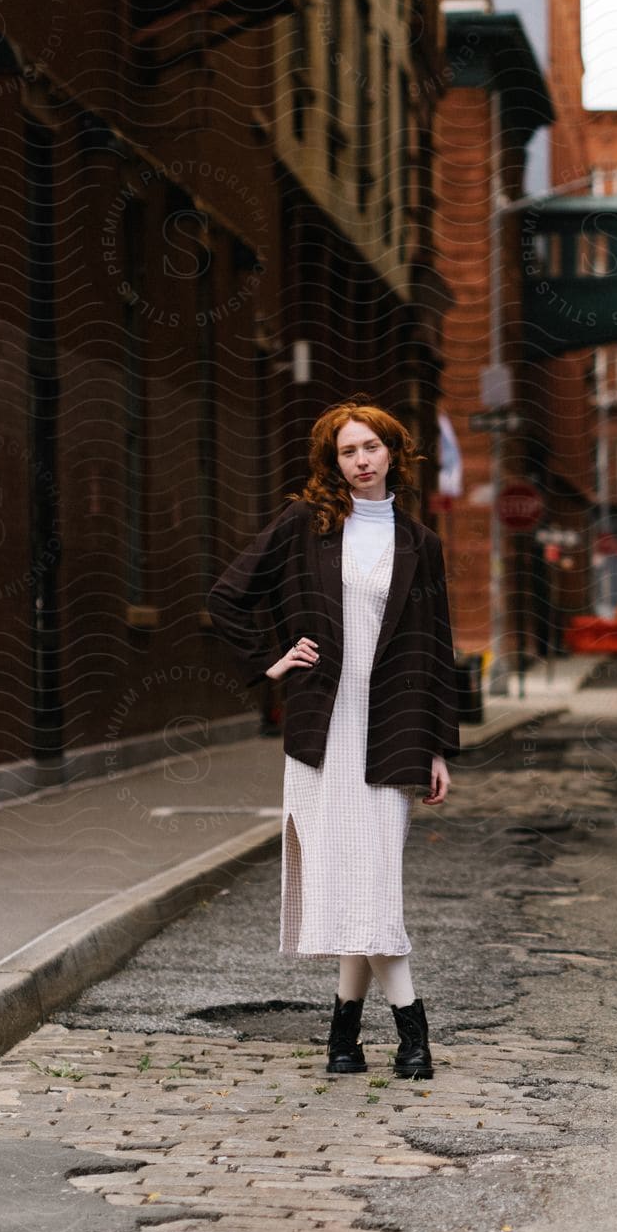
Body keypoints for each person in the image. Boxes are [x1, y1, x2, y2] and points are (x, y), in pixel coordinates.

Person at [207, 398, 459, 1081]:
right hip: (324, 728)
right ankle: (396, 1033)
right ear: (333, 461)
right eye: (347, 451)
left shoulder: (421, 545)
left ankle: (352, 1031)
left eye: (371, 447)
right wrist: (270, 659)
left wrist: (438, 745)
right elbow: (227, 595)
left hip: (390, 732)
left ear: (392, 453)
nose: (361, 460)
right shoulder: (304, 524)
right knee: (354, 877)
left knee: (370, 877)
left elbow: (438, 650)